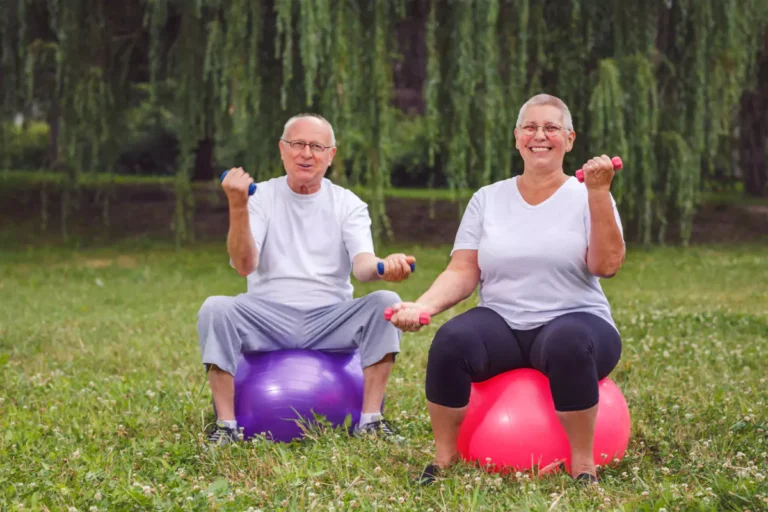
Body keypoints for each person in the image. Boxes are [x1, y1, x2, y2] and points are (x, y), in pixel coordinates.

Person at [387, 94, 625, 485]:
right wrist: (424, 305)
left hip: (576, 319)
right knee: (451, 340)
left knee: (569, 341)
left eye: (551, 127)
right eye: (530, 127)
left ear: (569, 138)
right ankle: (443, 459)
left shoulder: (589, 195)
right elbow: (463, 269)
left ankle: (583, 466)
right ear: (517, 137)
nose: (539, 135)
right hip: (502, 321)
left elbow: (607, 266)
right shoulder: (488, 198)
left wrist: (598, 193)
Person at [198, 113, 415, 446]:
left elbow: (362, 266)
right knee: (216, 308)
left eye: (317, 146)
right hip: (266, 315)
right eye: (297, 144)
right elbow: (243, 265)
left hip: (329, 319)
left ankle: (371, 421)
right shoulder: (260, 198)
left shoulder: (348, 204)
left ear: (331, 155)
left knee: (385, 303)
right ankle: (226, 426)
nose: (306, 153)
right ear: (282, 150)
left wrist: (385, 266)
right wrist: (237, 205)